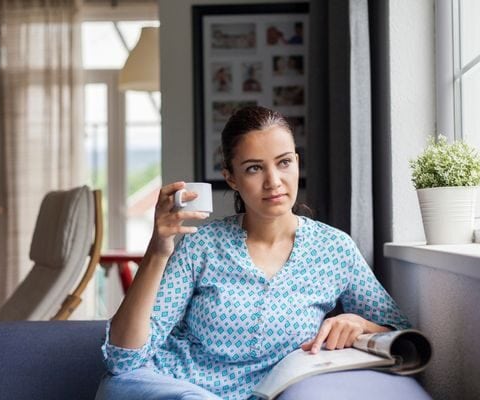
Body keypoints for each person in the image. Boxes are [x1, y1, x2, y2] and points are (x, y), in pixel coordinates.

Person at [95, 106, 411, 400]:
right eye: (254, 168)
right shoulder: (202, 246)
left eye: (284, 162)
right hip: (172, 387)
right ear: (231, 177)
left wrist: (360, 323)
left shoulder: (334, 250)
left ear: (297, 163)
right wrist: (158, 250)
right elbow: (125, 358)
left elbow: (401, 335)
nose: (273, 181)